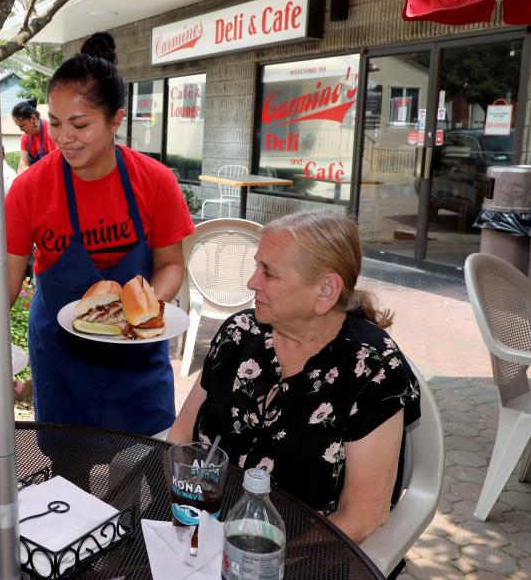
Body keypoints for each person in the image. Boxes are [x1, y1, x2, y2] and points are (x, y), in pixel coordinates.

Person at [0, 32, 195, 437]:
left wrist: (139, 312)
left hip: (136, 355)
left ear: (116, 120)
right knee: (66, 468)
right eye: (54, 123)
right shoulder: (31, 187)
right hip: (60, 354)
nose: (64, 138)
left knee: (144, 462)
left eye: (80, 124)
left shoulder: (155, 180)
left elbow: (172, 265)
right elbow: (5, 278)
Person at [168, 211, 421, 544]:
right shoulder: (241, 333)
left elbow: (362, 516)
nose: (251, 282)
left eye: (269, 273)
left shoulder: (373, 370)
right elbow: (182, 436)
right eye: (257, 266)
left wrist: (257, 562)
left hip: (300, 554)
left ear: (326, 290)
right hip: (199, 526)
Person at [13, 98, 57, 173]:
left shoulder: (50, 132)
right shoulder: (25, 138)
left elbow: (55, 163)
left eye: (22, 125)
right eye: (19, 126)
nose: (21, 130)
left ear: (33, 119)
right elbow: (23, 164)